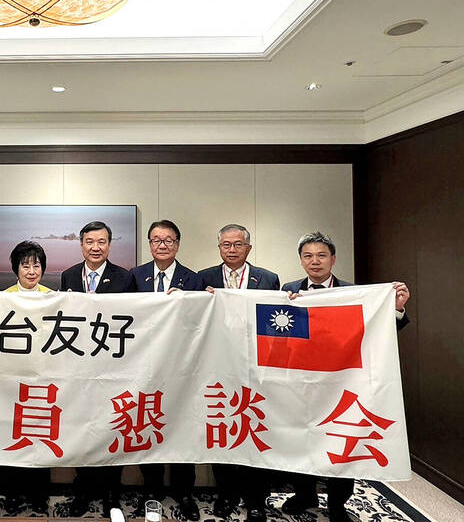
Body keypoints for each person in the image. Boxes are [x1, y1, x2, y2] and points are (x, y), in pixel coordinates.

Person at [280, 231, 410, 522]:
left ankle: (338, 503)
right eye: (308, 256)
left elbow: (380, 334)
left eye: (321, 255)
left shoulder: (353, 292)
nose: (315, 261)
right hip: (301, 382)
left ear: (333, 259)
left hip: (343, 382)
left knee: (342, 442)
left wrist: (396, 308)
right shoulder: (288, 290)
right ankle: (304, 494)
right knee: (302, 439)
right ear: (301, 260)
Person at [195, 224, 279, 522]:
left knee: (252, 432)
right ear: (218, 248)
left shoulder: (268, 279)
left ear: (249, 248)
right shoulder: (203, 278)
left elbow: (274, 323)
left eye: (238, 244)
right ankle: (227, 493)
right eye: (226, 245)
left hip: (254, 368)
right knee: (223, 432)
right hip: (216, 367)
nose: (232, 249)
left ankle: (256, 498)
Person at [128, 220, 200, 520]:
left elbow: (199, 321)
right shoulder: (136, 275)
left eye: (168, 240)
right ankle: (152, 490)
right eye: (156, 240)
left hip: (182, 368)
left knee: (183, 429)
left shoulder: (193, 279)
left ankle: (185, 493)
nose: (162, 245)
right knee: (149, 424)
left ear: (178, 244)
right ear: (149, 244)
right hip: (145, 367)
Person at [60, 221, 131, 517]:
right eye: (90, 242)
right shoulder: (68, 276)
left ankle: (111, 493)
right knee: (82, 429)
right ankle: (83, 489)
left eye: (102, 242)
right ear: (81, 245)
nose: (96, 247)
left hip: (114, 368)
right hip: (78, 368)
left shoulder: (125, 277)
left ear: (110, 245)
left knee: (112, 429)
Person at [0, 240, 51, 514]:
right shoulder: (2, 297)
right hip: (10, 379)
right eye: (25, 265)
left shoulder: (53, 297)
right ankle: (11, 493)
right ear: (16, 269)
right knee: (12, 436)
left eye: (36, 265)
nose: (31, 271)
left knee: (41, 434)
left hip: (42, 379)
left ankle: (39, 495)